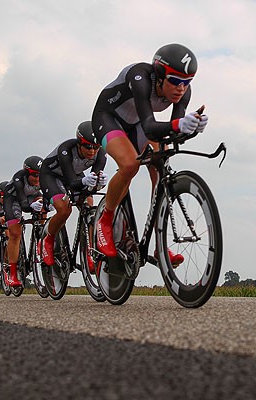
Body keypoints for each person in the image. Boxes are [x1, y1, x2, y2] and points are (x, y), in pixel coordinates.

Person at [91, 43, 208, 265]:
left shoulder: (183, 91)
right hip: (109, 118)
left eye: (187, 82)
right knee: (130, 165)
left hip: (138, 125)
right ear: (160, 74)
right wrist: (179, 125)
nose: (181, 89)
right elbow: (150, 126)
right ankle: (105, 221)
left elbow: (174, 129)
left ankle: (159, 246)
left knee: (160, 170)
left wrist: (192, 127)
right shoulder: (141, 76)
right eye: (175, 81)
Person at [39, 121, 108, 272]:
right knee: (64, 209)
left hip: (75, 175)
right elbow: (71, 182)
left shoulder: (101, 154)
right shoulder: (66, 149)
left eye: (95, 147)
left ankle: (90, 251)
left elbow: (92, 182)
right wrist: (84, 181)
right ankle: (47, 240)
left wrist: (99, 182)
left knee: (90, 204)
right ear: (79, 144)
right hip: (52, 175)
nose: (92, 151)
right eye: (87, 146)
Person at [3, 156, 45, 287]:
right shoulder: (19, 178)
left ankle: (39, 239)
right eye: (34, 175)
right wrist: (29, 207)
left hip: (32, 197)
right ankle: (13, 273)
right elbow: (23, 202)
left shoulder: (43, 178)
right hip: (14, 199)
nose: (38, 179)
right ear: (27, 173)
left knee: (42, 204)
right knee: (15, 234)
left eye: (40, 175)